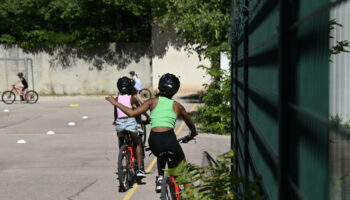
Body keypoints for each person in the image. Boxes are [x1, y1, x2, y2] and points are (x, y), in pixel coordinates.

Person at [106, 73, 197, 193]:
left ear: (160, 87)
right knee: (185, 173)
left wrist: (116, 102)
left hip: (154, 141)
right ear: (175, 90)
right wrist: (193, 133)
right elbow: (190, 124)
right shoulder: (177, 106)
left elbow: (132, 113)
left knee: (160, 153)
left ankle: (160, 179)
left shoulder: (152, 101)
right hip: (169, 140)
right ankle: (190, 195)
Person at [113, 76, 146, 178]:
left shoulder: (117, 98)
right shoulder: (133, 97)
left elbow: (116, 113)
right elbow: (141, 108)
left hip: (120, 123)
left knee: (121, 137)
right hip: (133, 122)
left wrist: (115, 121)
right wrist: (148, 117)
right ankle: (140, 168)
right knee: (137, 143)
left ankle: (122, 151)